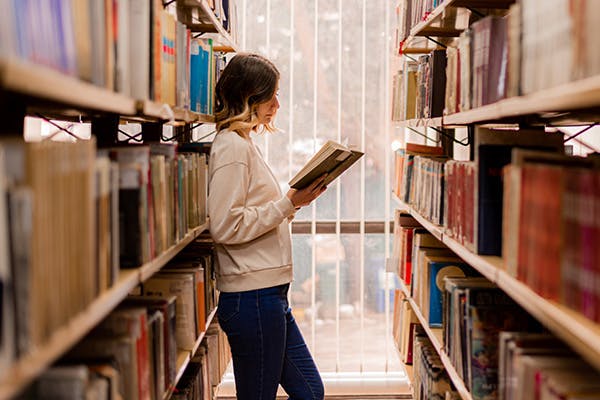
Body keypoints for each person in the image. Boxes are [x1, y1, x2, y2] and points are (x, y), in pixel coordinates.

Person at [207, 53, 327, 400]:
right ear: (249, 98)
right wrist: (289, 203)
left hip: (269, 294)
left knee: (309, 391)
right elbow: (227, 225)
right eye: (270, 96)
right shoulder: (231, 147)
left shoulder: (243, 143)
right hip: (253, 297)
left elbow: (251, 212)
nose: (277, 104)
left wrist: (292, 201)